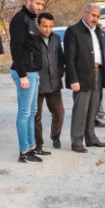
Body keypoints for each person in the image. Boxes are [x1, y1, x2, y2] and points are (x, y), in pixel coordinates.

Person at [64, 3, 105, 153]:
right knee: (80, 109)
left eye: (97, 16)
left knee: (93, 108)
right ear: (85, 13)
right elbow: (69, 58)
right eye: (93, 15)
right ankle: (77, 141)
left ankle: (91, 137)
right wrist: (73, 79)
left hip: (97, 73)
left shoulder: (97, 31)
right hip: (81, 75)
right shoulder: (73, 31)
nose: (95, 18)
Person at [10, 0, 48, 163]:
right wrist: (22, 75)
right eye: (37, 3)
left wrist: (35, 73)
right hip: (24, 73)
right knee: (24, 113)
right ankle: (24, 152)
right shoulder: (20, 19)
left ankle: (32, 147)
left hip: (32, 73)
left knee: (32, 111)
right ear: (28, 1)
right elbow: (16, 49)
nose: (40, 7)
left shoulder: (31, 20)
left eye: (42, 4)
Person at [34, 12, 65, 152]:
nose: (47, 29)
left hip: (54, 83)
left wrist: (60, 73)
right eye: (45, 26)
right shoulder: (32, 39)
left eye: (50, 26)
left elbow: (61, 58)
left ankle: (55, 137)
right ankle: (38, 143)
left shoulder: (56, 38)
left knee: (59, 112)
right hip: (37, 84)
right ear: (38, 25)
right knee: (36, 115)